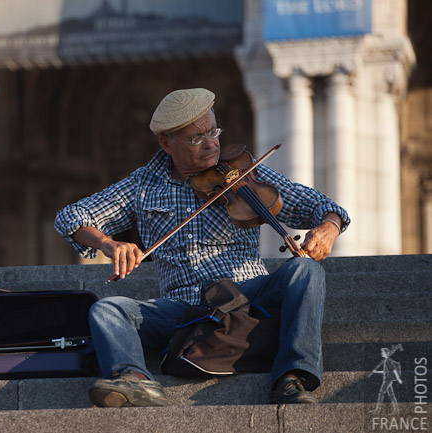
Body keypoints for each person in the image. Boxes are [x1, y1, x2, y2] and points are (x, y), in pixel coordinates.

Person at [54, 88, 350, 407]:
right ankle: (134, 379)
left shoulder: (243, 173)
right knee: (107, 310)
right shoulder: (142, 186)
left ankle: (292, 377)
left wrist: (328, 227)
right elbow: (71, 216)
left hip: (245, 294)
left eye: (213, 131)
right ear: (167, 143)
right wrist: (109, 244)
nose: (211, 143)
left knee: (304, 270)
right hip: (182, 306)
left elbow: (323, 206)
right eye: (197, 138)